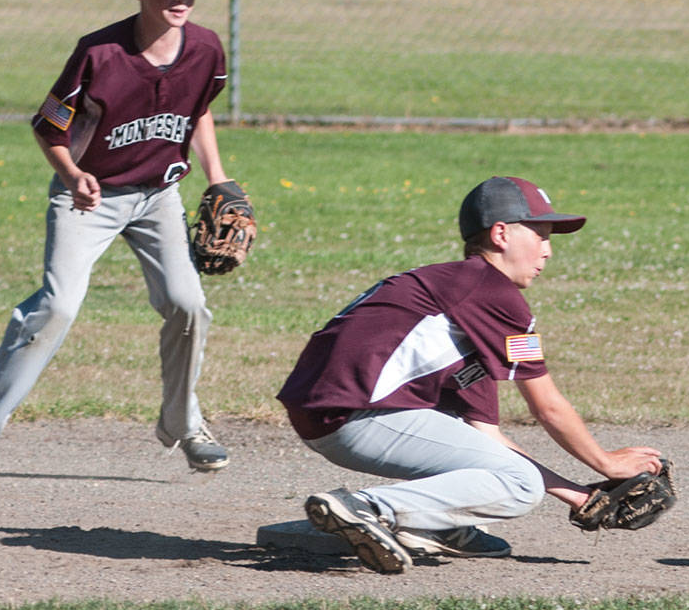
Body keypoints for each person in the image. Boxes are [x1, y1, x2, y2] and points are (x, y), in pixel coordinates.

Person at [0, 0, 237, 483]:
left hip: (158, 196)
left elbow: (197, 108)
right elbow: (49, 127)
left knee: (188, 305)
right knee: (56, 308)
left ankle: (187, 424)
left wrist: (217, 177)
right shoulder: (99, 53)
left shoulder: (204, 48)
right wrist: (72, 173)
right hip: (90, 198)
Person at [277, 176, 666, 575]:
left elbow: (487, 436)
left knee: (504, 472)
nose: (547, 251)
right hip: (356, 417)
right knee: (520, 486)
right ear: (501, 234)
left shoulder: (462, 297)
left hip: (336, 415)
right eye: (539, 235)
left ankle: (415, 525)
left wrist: (579, 495)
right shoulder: (490, 292)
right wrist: (606, 464)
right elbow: (547, 407)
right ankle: (369, 509)